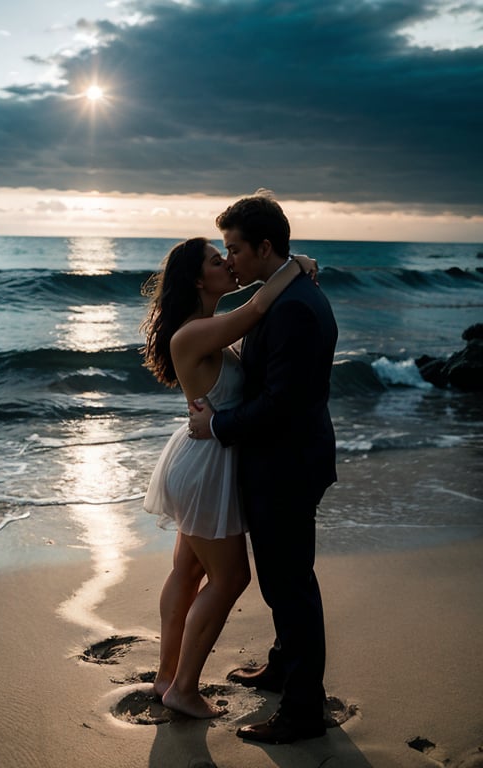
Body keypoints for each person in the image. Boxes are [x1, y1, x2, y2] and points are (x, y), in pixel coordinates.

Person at [141, 236, 316, 719]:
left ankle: (165, 678)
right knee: (231, 576)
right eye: (219, 260)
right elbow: (259, 306)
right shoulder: (194, 333)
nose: (228, 263)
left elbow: (249, 307)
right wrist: (296, 266)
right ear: (199, 279)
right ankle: (182, 689)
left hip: (202, 459)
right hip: (205, 466)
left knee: (188, 571)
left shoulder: (204, 326)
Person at [188, 191, 338, 743]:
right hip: (288, 459)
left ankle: (302, 711)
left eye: (234, 249)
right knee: (283, 579)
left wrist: (217, 426)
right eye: (222, 252)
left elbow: (282, 403)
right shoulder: (290, 291)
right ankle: (282, 667)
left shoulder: (295, 307)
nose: (229, 260)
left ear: (264, 247)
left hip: (287, 465)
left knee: (290, 584)